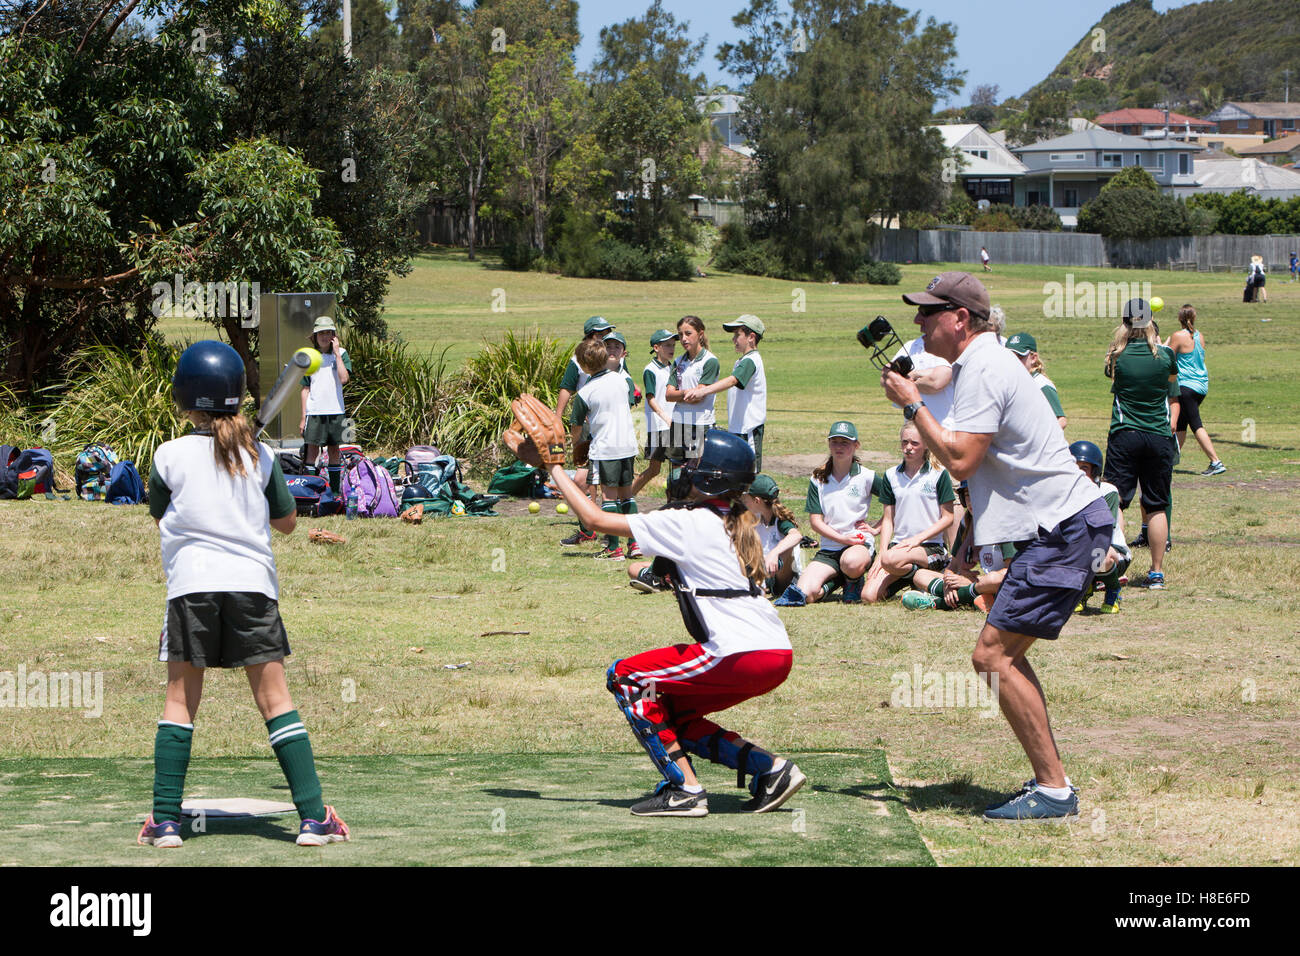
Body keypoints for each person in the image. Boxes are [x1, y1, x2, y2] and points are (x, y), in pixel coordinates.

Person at [881, 270, 1111, 821]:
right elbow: (942, 378)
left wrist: (913, 406)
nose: (917, 320)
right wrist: (918, 384)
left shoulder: (984, 367)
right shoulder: (982, 359)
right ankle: (1052, 785)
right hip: (1062, 526)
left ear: (959, 319)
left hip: (1061, 530)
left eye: (928, 312)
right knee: (999, 655)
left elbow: (960, 459)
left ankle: (1054, 791)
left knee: (992, 656)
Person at [139, 341, 349, 848]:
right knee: (275, 700)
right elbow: (289, 523)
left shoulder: (168, 455)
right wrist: (249, 465)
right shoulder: (261, 453)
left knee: (179, 701)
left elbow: (158, 511)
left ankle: (165, 820)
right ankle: (313, 818)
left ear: (184, 397)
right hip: (252, 587)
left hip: (192, 587)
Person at [544, 428, 805, 816]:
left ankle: (685, 790)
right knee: (670, 710)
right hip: (775, 650)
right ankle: (770, 770)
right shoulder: (737, 521)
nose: (686, 470)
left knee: (626, 676)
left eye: (695, 465)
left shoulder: (690, 522)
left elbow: (593, 519)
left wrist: (555, 468)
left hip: (738, 652)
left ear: (712, 477)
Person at [1103, 298, 1179, 589]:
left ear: (1124, 323)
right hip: (1159, 435)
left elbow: (1113, 378)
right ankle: (1156, 572)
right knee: (1157, 505)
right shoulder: (1166, 354)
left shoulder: (1116, 356)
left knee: (1118, 502)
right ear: (1150, 323)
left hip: (1126, 433)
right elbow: (1170, 384)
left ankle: (1117, 564)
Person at [774, 421, 882, 607]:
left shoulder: (867, 476)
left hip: (857, 543)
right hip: (830, 547)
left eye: (845, 442)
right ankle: (837, 582)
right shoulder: (818, 479)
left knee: (851, 562)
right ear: (829, 444)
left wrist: (877, 529)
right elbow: (815, 522)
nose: (839, 447)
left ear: (856, 445)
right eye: (835, 442)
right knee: (804, 594)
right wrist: (841, 538)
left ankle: (853, 580)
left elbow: (895, 502)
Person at [862, 422, 955, 604]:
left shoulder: (938, 474)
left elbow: (948, 518)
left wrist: (916, 540)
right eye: (904, 442)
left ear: (927, 444)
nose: (908, 448)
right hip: (898, 549)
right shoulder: (891, 475)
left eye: (914, 443)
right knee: (868, 596)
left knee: (891, 559)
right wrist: (881, 554)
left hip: (930, 547)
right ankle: (915, 577)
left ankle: (929, 570)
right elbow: (888, 520)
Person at [569, 339, 639, 561]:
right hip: (627, 445)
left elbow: (576, 425)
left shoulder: (586, 392)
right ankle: (635, 543)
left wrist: (575, 444)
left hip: (605, 449)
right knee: (627, 495)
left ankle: (613, 548)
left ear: (583, 365)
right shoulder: (621, 379)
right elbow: (630, 398)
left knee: (609, 499)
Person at [682, 315, 767, 471]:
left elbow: (732, 381)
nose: (733, 339)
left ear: (751, 337)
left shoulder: (752, 360)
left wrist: (703, 391)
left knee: (749, 473)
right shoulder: (742, 361)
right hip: (739, 428)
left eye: (737, 335)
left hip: (748, 428)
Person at [556, 316, 614, 547]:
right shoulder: (578, 361)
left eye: (607, 332)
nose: (605, 336)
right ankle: (588, 527)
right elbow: (567, 388)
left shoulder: (613, 356)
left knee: (608, 480)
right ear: (591, 335)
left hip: (609, 424)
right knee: (584, 476)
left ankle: (609, 528)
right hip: (587, 422)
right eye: (601, 333)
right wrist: (557, 417)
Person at [1069, 440, 1129, 615]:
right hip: (1080, 549)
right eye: (1074, 466)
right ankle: (1083, 589)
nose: (1078, 472)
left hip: (1111, 550)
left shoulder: (1107, 491)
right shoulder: (1063, 492)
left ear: (1095, 471)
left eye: (1084, 468)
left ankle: (1113, 589)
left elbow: (1103, 532)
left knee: (1100, 555)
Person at [1165, 305, 1226, 476]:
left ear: (1179, 318)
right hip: (1201, 386)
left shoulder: (1178, 336)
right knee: (1181, 425)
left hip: (1186, 386)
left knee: (1196, 424)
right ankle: (1168, 461)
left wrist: (1161, 343)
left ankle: (1215, 461)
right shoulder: (1200, 336)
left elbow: (1166, 356)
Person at [299, 317, 351, 498]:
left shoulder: (342, 354)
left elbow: (344, 379)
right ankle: (310, 491)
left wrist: (336, 354)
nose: (324, 336)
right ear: (315, 335)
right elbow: (305, 389)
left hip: (336, 410)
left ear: (333, 336)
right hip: (314, 411)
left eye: (328, 333)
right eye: (321, 333)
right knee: (312, 450)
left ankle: (335, 491)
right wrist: (303, 416)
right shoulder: (309, 356)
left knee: (334, 449)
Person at [663, 316, 720, 467]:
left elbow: (698, 397)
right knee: (675, 470)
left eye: (688, 333)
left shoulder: (710, 361)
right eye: (681, 335)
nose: (683, 339)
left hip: (700, 423)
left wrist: (680, 394)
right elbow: (668, 395)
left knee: (695, 471)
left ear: (700, 334)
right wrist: (686, 393)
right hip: (678, 421)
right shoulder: (678, 361)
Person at [629, 329, 678, 499]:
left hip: (674, 423)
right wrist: (664, 416)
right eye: (667, 345)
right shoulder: (650, 370)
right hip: (658, 425)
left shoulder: (674, 368)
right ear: (656, 347)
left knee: (678, 466)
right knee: (654, 469)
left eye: (673, 345)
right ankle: (628, 497)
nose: (671, 348)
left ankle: (675, 501)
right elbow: (650, 398)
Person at [742, 474, 803, 597]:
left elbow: (796, 536)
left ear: (756, 501)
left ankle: (760, 583)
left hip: (783, 577)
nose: (744, 501)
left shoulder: (780, 520)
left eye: (746, 498)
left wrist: (774, 553)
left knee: (786, 548)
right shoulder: (756, 518)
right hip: (762, 572)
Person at [1005, 332, 1067, 429]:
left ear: (1033, 358)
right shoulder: (1009, 380)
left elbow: (1061, 420)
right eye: (1010, 355)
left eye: (1020, 356)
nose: (1014, 360)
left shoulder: (1041, 385)